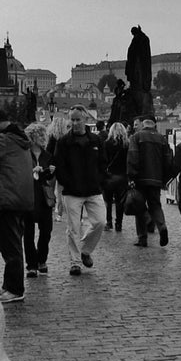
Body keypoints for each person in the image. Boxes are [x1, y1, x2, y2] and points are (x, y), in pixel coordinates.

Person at [0, 104, 35, 305]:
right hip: (19, 200)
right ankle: (9, 286)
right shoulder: (18, 139)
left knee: (9, 246)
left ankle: (15, 289)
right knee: (12, 244)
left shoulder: (3, 140)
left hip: (7, 200)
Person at [51, 106, 106, 277]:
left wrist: (99, 180)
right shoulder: (64, 142)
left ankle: (85, 250)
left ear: (85, 119)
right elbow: (58, 165)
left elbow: (103, 163)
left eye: (77, 119)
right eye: (72, 120)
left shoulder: (96, 140)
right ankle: (75, 262)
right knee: (74, 227)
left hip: (93, 189)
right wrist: (67, 182)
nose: (74, 123)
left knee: (100, 222)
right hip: (72, 191)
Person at [127, 117, 174, 248]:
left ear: (143, 124)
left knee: (139, 208)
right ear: (154, 125)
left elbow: (133, 157)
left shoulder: (136, 137)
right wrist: (164, 179)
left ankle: (142, 238)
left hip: (140, 179)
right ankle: (162, 227)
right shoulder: (162, 139)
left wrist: (131, 177)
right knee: (155, 206)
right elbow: (168, 160)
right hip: (156, 179)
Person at [23, 122, 57, 278]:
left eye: (44, 134)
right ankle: (31, 265)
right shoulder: (24, 154)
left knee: (46, 232)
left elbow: (49, 179)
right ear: (32, 137)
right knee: (28, 233)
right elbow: (20, 175)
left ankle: (41, 259)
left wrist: (50, 172)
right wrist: (31, 171)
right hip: (29, 196)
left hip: (44, 197)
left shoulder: (48, 155)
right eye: (40, 135)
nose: (44, 138)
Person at [101, 121, 130, 233]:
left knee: (108, 202)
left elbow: (103, 160)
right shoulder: (126, 144)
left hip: (109, 176)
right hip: (122, 176)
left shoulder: (107, 143)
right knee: (119, 202)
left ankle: (109, 222)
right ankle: (119, 223)